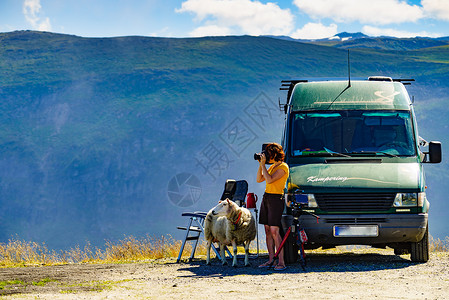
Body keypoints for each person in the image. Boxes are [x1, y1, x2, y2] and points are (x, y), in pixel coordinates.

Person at [256, 142, 289, 271]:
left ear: (274, 154)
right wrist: (261, 165)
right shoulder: (273, 167)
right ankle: (271, 260)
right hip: (267, 197)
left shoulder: (283, 167)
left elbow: (269, 180)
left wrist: (263, 165)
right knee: (268, 231)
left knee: (275, 231)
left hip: (276, 199)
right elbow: (259, 179)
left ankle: (281, 262)